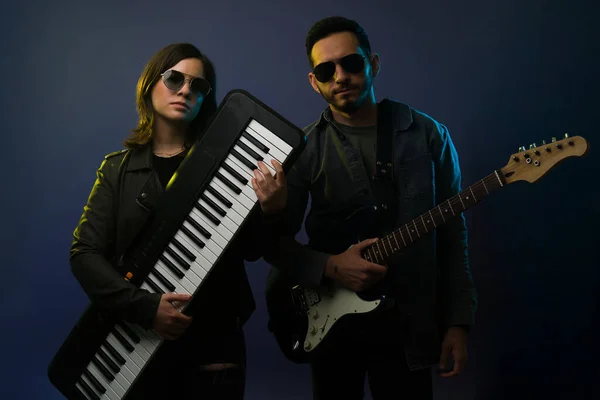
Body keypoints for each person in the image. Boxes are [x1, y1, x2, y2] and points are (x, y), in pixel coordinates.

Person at [264, 16, 477, 399]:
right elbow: (274, 245)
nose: (340, 76)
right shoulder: (304, 150)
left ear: (373, 64)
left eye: (352, 63)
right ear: (314, 81)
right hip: (331, 326)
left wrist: (458, 323)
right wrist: (330, 266)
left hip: (409, 323)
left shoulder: (428, 134)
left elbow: (451, 236)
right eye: (326, 70)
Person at [70, 42, 286, 399]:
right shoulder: (115, 170)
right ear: (149, 84)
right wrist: (146, 307)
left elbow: (253, 250)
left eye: (198, 86)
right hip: (136, 344)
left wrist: (273, 210)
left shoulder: (233, 164)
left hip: (214, 346)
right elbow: (84, 254)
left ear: (204, 99)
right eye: (174, 79)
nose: (186, 90)